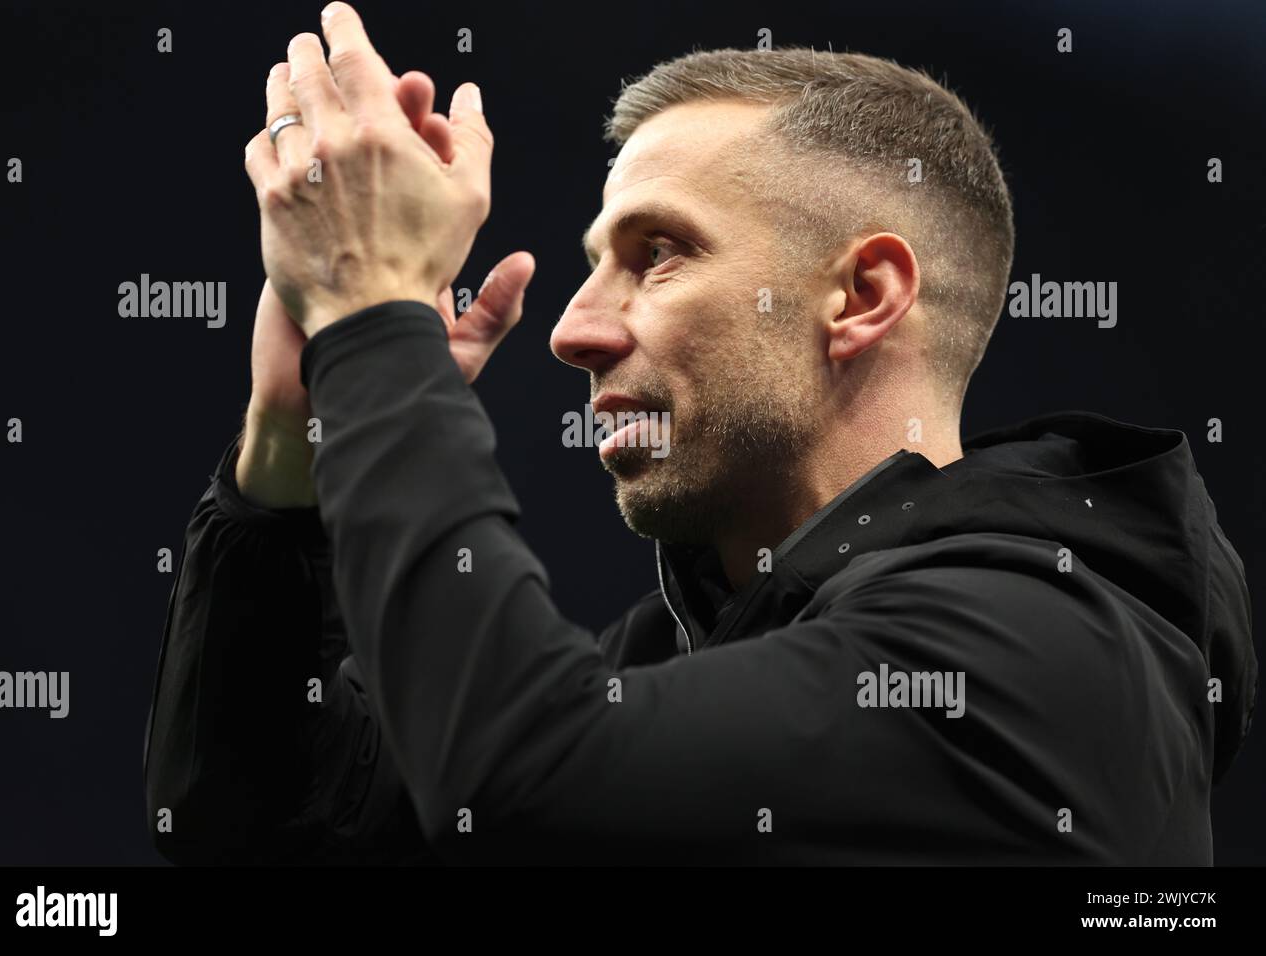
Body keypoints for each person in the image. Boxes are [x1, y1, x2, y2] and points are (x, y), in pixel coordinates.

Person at [143, 2, 1256, 864]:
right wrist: (300, 442)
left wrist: (378, 308)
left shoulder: (1039, 659)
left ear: (863, 295)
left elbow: (522, 777)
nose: (573, 330)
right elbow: (253, 828)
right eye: (591, 266)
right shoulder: (687, 651)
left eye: (658, 252)